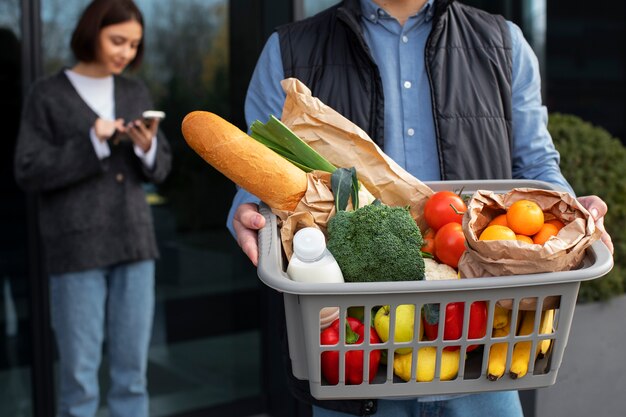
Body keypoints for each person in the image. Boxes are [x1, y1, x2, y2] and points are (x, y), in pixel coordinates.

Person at [227, 0, 613, 416]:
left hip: (484, 360)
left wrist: (569, 212)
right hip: (355, 362)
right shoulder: (289, 51)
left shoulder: (505, 44)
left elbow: (536, 166)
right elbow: (261, 176)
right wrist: (250, 209)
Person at [14, 1, 171, 416]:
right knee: (80, 382)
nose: (126, 53)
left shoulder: (135, 91)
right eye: (117, 40)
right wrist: (94, 141)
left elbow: (161, 168)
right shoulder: (47, 94)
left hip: (135, 245)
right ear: (91, 33)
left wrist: (147, 146)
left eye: (134, 45)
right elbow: (27, 170)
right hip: (77, 251)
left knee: (132, 379)